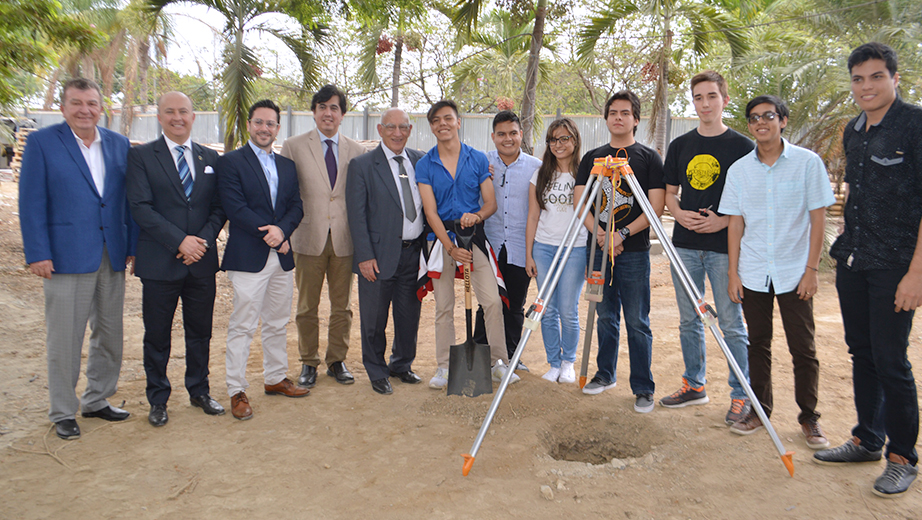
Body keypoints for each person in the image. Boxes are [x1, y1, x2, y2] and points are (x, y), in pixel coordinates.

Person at [814, 42, 921, 498]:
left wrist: (917, 274)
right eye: (858, 79)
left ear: (894, 78)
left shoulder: (915, 125)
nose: (866, 86)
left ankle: (902, 457)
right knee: (862, 352)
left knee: (891, 359)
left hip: (896, 265)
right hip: (854, 259)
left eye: (876, 76)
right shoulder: (854, 130)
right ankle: (867, 439)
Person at [19, 78, 136, 440]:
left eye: (91, 103)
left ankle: (97, 399)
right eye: (76, 103)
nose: (85, 110)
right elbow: (31, 201)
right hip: (65, 256)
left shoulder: (118, 144)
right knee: (65, 338)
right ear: (63, 107)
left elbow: (126, 201)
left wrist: (131, 245)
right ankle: (62, 410)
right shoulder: (42, 142)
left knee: (109, 333)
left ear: (102, 107)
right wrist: (38, 252)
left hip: (111, 254)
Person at [720, 95, 835, 450]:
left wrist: (812, 269)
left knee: (803, 348)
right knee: (758, 344)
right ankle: (759, 410)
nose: (761, 123)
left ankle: (809, 417)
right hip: (753, 272)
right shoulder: (740, 170)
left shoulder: (807, 163)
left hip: (794, 272)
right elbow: (735, 225)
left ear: (782, 120)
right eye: (753, 118)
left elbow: (819, 219)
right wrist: (733, 273)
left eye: (768, 116)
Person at [658, 71, 754, 426]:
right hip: (684, 247)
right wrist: (679, 213)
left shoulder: (743, 147)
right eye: (698, 97)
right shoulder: (680, 145)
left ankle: (741, 394)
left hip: (723, 249)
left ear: (724, 100)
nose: (705, 104)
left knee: (731, 323)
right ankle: (694, 384)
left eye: (712, 96)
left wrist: (723, 222)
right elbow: (669, 193)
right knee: (689, 320)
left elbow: (751, 203)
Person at [126, 91, 226, 427]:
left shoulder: (209, 157)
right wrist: (179, 241)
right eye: (170, 112)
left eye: (183, 111)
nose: (177, 117)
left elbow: (218, 207)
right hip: (159, 262)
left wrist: (202, 241)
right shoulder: (141, 157)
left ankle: (199, 390)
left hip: (201, 263)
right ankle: (158, 399)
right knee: (157, 335)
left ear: (193, 116)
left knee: (200, 332)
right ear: (159, 117)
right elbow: (140, 208)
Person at [416, 100, 519, 389]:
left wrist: (477, 216)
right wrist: (450, 247)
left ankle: (499, 362)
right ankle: (445, 367)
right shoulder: (425, 164)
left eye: (448, 118)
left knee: (492, 300)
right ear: (432, 126)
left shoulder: (476, 158)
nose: (443, 124)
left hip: (473, 237)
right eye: (436, 120)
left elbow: (490, 203)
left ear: (458, 122)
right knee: (444, 306)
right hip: (440, 240)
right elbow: (430, 212)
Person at [574, 90, 665, 413]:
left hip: (634, 251)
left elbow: (656, 206)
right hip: (597, 250)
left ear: (635, 120)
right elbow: (580, 202)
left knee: (638, 321)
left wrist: (621, 233)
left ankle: (643, 387)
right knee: (605, 314)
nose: (618, 117)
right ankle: (605, 374)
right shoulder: (592, 158)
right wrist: (599, 233)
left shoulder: (648, 158)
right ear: (606, 118)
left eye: (625, 113)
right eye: (613, 112)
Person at [217, 99, 307, 420]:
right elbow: (234, 207)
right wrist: (270, 234)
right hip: (248, 257)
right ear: (249, 125)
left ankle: (275, 378)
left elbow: (296, 206)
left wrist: (282, 232)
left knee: (276, 321)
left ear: (278, 129)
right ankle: (236, 389)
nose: (264, 128)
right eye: (259, 122)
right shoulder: (231, 162)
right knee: (242, 325)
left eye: (270, 124)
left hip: (280, 257)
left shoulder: (286, 166)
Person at [280, 85, 367, 388]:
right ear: (314, 111)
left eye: (334, 108)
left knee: (341, 306)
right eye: (322, 107)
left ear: (343, 114)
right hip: (307, 238)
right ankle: (308, 362)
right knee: (307, 306)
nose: (328, 113)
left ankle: (337, 360)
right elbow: (285, 194)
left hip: (345, 240)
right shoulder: (292, 146)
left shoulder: (356, 151)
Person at [345, 108, 426, 395]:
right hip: (378, 257)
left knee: (408, 316)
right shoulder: (363, 165)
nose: (397, 133)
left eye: (403, 127)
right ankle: (377, 370)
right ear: (380, 130)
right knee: (374, 319)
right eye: (390, 127)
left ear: (410, 130)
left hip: (413, 255)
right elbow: (356, 216)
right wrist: (365, 256)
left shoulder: (420, 160)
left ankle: (401, 365)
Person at [474, 111, 542, 371]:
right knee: (488, 302)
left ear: (521, 135)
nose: (507, 139)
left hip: (519, 245)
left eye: (513, 133)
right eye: (501, 134)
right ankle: (481, 354)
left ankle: (512, 356)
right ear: (493, 136)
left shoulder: (535, 166)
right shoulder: (481, 162)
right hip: (488, 244)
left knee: (515, 304)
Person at [525, 118, 586, 384]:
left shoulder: (586, 173)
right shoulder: (540, 174)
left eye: (564, 138)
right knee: (546, 309)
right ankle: (553, 362)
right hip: (544, 248)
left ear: (574, 140)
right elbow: (533, 216)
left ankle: (568, 361)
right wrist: (529, 253)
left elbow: (592, 214)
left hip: (575, 248)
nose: (558, 144)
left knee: (567, 309)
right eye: (553, 139)